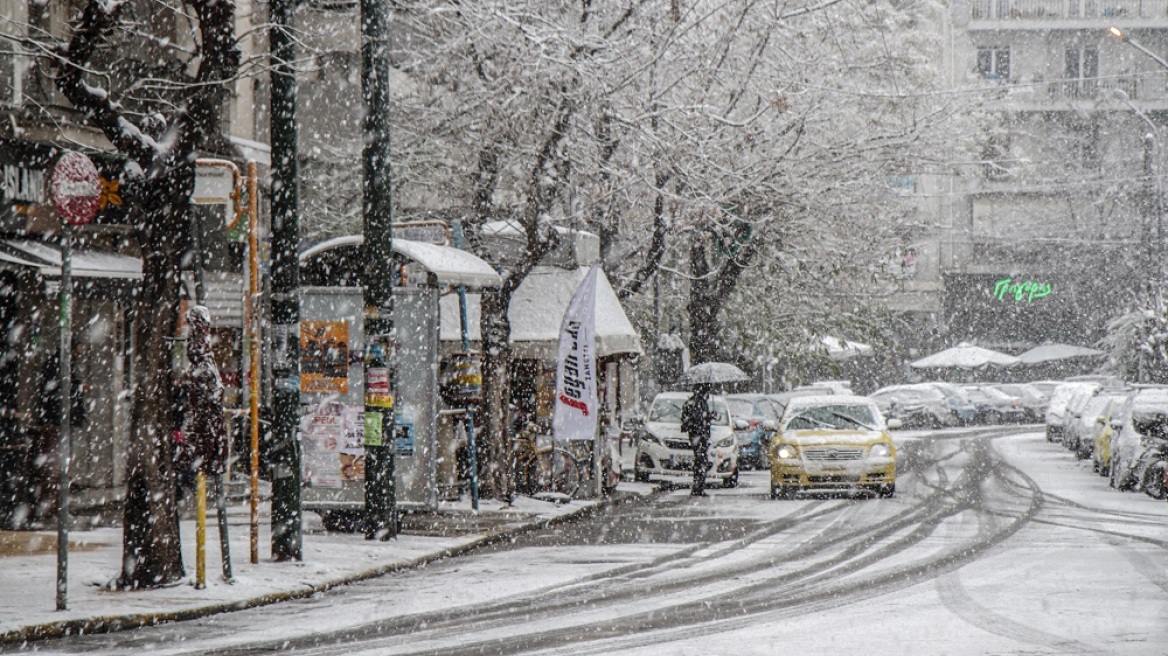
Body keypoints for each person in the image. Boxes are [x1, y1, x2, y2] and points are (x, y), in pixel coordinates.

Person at [681, 384, 713, 497]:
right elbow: (699, 419)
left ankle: (697, 486)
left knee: (700, 461)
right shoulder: (700, 403)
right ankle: (698, 487)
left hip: (695, 436)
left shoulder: (690, 402)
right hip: (699, 436)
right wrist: (706, 418)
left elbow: (685, 421)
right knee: (701, 461)